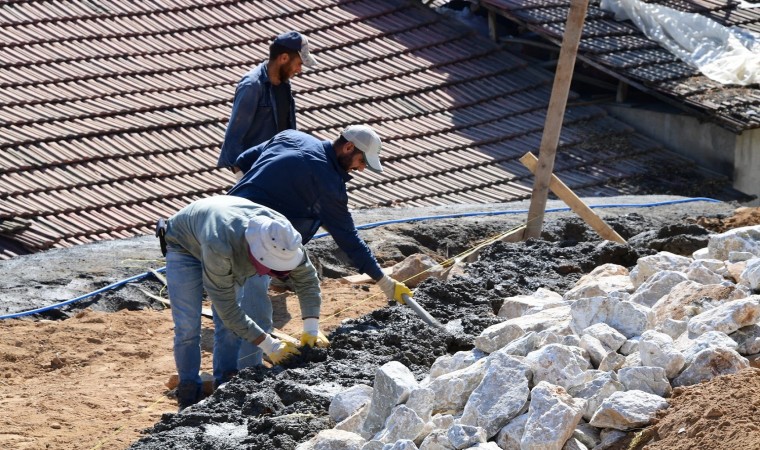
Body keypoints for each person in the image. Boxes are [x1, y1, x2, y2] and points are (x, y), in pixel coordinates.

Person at [160, 195, 326, 411]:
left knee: (229, 330)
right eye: (273, 270)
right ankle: (189, 390)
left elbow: (307, 280)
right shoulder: (220, 246)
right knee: (187, 327)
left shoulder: (283, 235)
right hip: (183, 245)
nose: (275, 275)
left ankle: (226, 388)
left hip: (224, 235)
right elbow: (226, 307)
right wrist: (270, 345)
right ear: (257, 256)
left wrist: (311, 328)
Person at [227, 125, 414, 307]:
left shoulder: (293, 136)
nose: (362, 169)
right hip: (255, 243)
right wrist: (384, 282)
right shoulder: (328, 185)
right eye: (362, 161)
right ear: (348, 147)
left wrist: (248, 197)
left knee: (215, 291)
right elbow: (350, 240)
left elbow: (241, 161)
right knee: (251, 311)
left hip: (224, 215)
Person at [217, 30, 317, 176]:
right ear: (283, 58)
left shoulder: (284, 84)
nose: (299, 69)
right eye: (299, 63)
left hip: (279, 169)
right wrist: (241, 177)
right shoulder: (252, 86)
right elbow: (234, 137)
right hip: (255, 172)